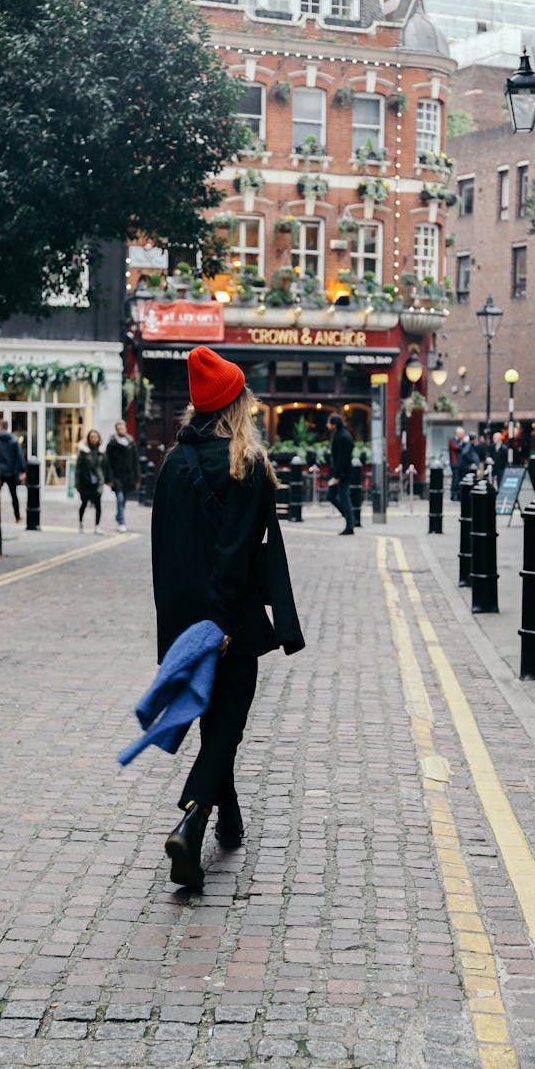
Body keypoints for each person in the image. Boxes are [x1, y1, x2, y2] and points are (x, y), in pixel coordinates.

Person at [152, 345, 304, 890]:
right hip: (228, 624)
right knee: (228, 724)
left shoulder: (171, 465)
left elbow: (162, 554)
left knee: (215, 722)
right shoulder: (248, 467)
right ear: (237, 404)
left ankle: (229, 822)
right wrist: (221, 622)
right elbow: (237, 555)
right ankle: (193, 819)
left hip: (185, 624)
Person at [105, 420, 140, 533]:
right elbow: (107, 463)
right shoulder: (111, 444)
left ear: (126, 429)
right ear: (116, 430)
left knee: (124, 500)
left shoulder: (131, 443)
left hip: (128, 476)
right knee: (120, 499)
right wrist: (109, 479)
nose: (121, 430)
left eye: (122, 428)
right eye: (119, 429)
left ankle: (118, 516)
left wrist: (137, 478)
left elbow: (136, 462)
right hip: (116, 476)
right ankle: (121, 523)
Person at [75, 429, 109, 533]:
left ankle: (97, 526)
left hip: (98, 482)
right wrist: (77, 484)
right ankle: (80, 523)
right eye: (91, 437)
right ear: (88, 439)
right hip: (85, 482)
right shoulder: (83, 451)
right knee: (84, 504)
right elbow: (78, 468)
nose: (94, 439)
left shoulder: (102, 451)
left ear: (99, 438)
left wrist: (108, 480)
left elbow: (106, 467)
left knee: (98, 504)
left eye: (95, 437)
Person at [326, 414, 355, 535]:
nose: (327, 425)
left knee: (344, 498)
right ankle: (350, 518)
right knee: (331, 496)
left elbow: (342, 459)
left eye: (328, 423)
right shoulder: (339, 435)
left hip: (342, 474)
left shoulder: (343, 437)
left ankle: (350, 524)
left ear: (334, 425)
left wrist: (337, 477)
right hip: (338, 473)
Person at [0, 419, 26, 523]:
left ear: (0, 427)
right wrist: (22, 470)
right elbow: (19, 456)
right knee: (14, 496)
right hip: (11, 472)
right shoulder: (13, 440)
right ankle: (17, 517)